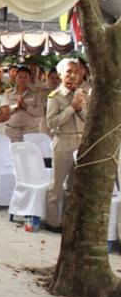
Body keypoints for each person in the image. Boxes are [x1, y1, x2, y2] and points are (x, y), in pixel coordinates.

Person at [45, 58, 87, 233]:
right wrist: (71, 108)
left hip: (80, 142)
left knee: (74, 187)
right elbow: (51, 123)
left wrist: (79, 106)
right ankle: (53, 221)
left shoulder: (82, 94)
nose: (72, 75)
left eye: (76, 72)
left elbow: (88, 118)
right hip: (62, 142)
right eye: (69, 71)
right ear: (61, 74)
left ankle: (69, 222)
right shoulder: (54, 96)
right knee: (56, 186)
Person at [4, 65, 44, 142]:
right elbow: (4, 112)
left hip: (30, 131)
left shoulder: (35, 94)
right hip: (12, 131)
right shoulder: (8, 94)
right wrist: (16, 107)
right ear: (15, 78)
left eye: (25, 77)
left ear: (29, 79)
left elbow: (40, 112)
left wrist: (26, 107)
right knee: (12, 153)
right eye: (20, 77)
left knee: (30, 153)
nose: (22, 79)